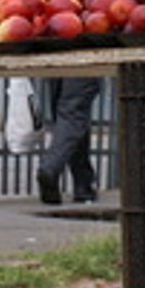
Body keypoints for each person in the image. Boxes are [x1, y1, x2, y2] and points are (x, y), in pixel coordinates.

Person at [36, 76, 101, 205]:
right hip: (84, 63)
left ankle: (83, 183)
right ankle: (50, 167)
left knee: (69, 119)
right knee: (73, 116)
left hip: (56, 64)